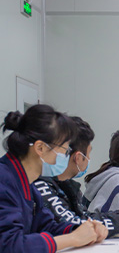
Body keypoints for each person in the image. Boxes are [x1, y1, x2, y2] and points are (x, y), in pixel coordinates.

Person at [0, 105, 107, 252]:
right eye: (64, 150)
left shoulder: (27, 183)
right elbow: (9, 245)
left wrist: (83, 230)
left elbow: (47, 226)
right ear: (40, 148)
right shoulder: (4, 180)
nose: (65, 157)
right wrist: (73, 238)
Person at [34, 116, 119, 236]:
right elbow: (74, 225)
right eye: (64, 149)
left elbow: (84, 217)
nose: (89, 159)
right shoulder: (41, 185)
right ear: (78, 157)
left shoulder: (66, 186)